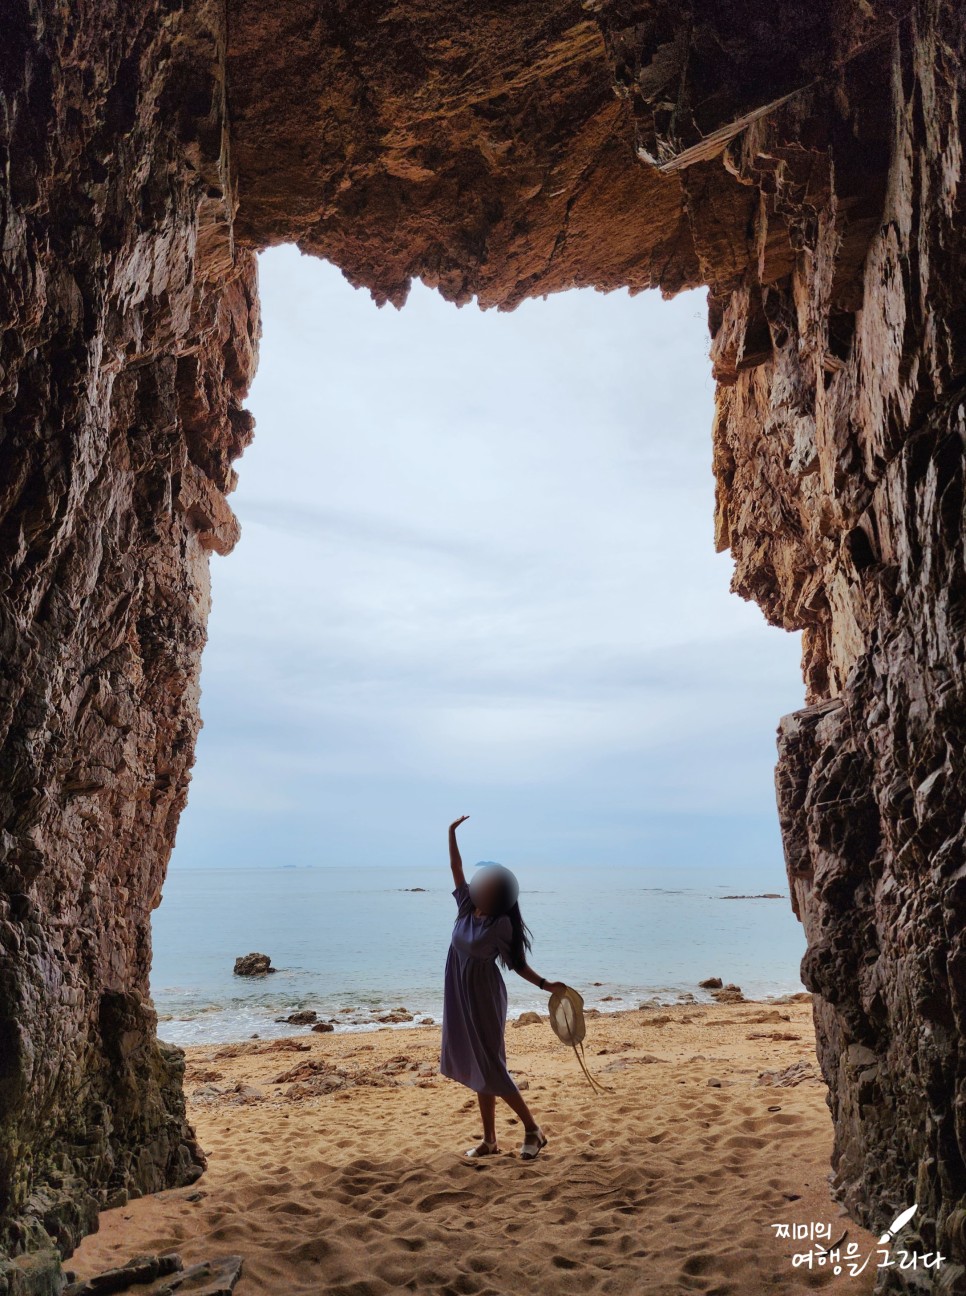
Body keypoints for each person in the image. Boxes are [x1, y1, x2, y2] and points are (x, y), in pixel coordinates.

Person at [440, 814, 565, 1160]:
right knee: (481, 1068)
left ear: (500, 898)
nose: (483, 889)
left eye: (492, 889)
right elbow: (455, 866)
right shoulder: (467, 907)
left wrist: (545, 985)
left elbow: (517, 964)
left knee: (492, 1066)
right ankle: (490, 1140)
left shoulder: (500, 926)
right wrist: (450, 833)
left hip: (483, 997)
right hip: (459, 995)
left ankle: (532, 1129)